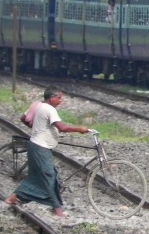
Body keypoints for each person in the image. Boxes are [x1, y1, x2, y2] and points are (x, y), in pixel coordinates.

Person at [5, 86, 89, 217]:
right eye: (59, 98)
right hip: (40, 147)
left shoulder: (39, 106)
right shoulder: (49, 109)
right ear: (51, 98)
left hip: (37, 146)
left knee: (37, 177)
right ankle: (56, 209)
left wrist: (37, 128)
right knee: (49, 176)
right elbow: (62, 127)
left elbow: (23, 117)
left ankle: (13, 198)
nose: (61, 100)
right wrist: (80, 129)